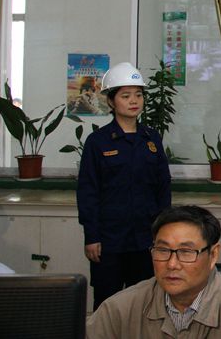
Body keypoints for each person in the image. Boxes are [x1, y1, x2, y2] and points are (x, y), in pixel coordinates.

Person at [77, 62, 172, 310]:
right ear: (111, 101)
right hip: (109, 241)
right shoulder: (97, 142)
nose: (134, 101)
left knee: (146, 304)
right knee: (107, 305)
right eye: (126, 95)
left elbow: (163, 188)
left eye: (138, 95)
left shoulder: (152, 139)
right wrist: (91, 236)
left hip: (146, 240)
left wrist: (162, 233)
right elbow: (88, 192)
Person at [87, 205, 221, 339]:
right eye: (163, 250)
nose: (172, 264)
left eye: (186, 252)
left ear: (213, 255)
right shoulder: (121, 307)